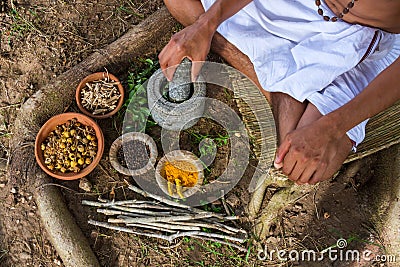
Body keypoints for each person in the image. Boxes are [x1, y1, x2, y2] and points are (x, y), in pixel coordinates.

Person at [158, 0, 400, 185]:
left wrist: (330, 127)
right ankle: (267, 78)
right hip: (300, 4)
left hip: (362, 35)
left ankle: (278, 79)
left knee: (299, 165)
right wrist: (205, 24)